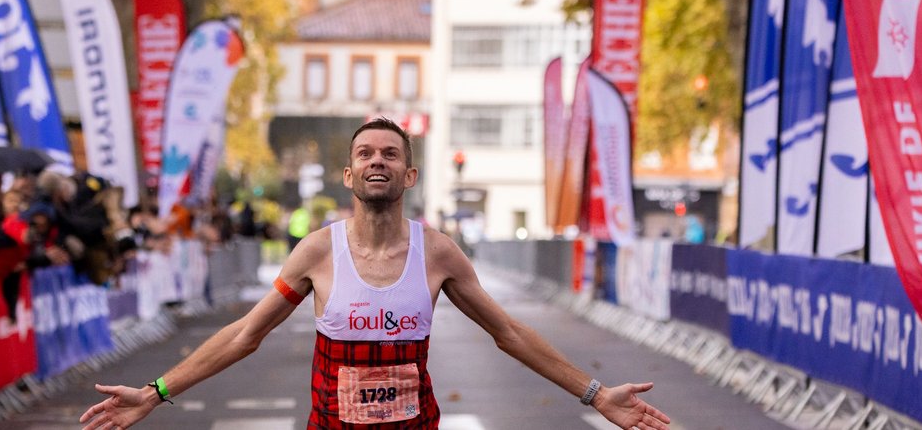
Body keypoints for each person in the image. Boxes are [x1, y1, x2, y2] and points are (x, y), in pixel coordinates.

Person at [78, 118, 671, 430]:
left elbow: (507, 333)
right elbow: (245, 334)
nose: (378, 161)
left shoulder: (438, 254)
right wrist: (155, 393)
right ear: (349, 174)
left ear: (408, 176)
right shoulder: (316, 252)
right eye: (366, 154)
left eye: (390, 154)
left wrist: (596, 396)